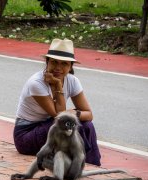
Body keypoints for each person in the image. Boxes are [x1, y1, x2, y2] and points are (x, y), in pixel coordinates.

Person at [13, 38, 101, 166]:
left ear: (71, 66)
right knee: (72, 125)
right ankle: (83, 164)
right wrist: (58, 85)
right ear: (47, 62)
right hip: (26, 136)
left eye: (64, 64)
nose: (58, 68)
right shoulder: (36, 83)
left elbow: (89, 114)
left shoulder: (72, 81)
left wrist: (74, 114)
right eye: (54, 62)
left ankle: (93, 164)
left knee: (87, 125)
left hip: (49, 128)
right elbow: (59, 116)